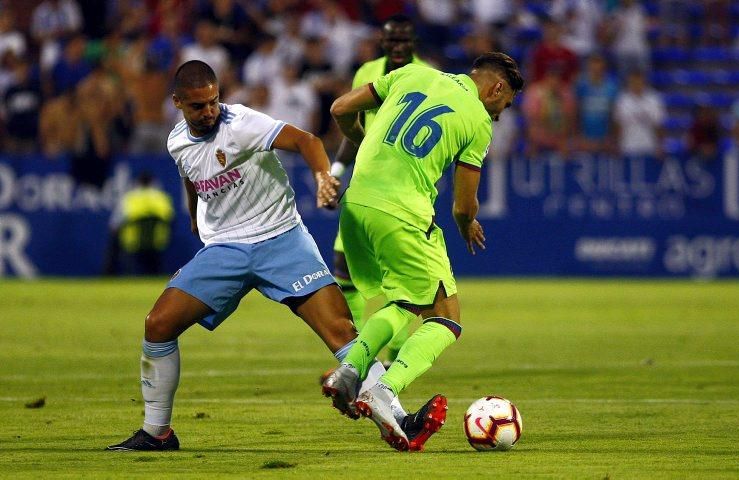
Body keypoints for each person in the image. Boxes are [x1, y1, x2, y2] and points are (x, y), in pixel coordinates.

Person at [106, 60, 424, 451]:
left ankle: (400, 418)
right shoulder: (176, 142)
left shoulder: (240, 122)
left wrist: (323, 176)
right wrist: (193, 214)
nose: (209, 111)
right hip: (225, 248)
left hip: (282, 240)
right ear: (177, 103)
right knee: (157, 325)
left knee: (342, 332)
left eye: (213, 101)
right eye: (198, 106)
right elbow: (190, 176)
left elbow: (306, 140)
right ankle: (157, 433)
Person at [324, 52, 524, 451]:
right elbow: (463, 206)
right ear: (498, 87)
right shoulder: (478, 120)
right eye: (505, 105)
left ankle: (351, 369)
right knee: (447, 317)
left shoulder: (412, 74)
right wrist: (468, 226)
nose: (500, 114)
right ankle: (384, 390)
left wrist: (360, 137)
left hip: (356, 204)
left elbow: (340, 107)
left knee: (404, 299)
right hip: (402, 212)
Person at [329, 14, 428, 367]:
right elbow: (354, 125)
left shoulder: (427, 77)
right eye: (392, 40)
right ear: (383, 42)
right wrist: (336, 171)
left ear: (414, 43)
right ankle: (355, 353)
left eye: (405, 40)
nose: (399, 47)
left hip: (404, 187)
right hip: (366, 181)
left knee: (401, 282)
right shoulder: (367, 72)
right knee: (343, 268)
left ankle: (395, 358)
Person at [106, 171, 175, 276]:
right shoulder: (161, 197)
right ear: (153, 182)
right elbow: (171, 220)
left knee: (114, 241)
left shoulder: (130, 198)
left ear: (137, 182)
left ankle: (109, 273)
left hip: (133, 242)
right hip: (157, 242)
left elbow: (114, 225)